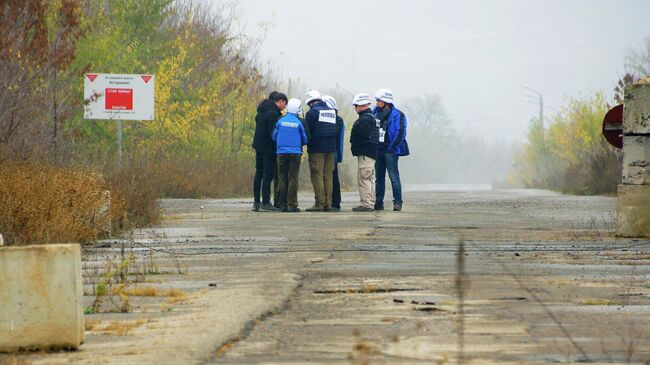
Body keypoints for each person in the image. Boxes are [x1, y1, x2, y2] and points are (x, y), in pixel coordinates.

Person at [373, 88, 409, 211]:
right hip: (378, 150)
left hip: (390, 151)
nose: (376, 102)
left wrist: (392, 148)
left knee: (393, 177)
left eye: (378, 100)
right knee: (379, 178)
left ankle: (398, 202)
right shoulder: (373, 112)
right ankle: (378, 202)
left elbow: (401, 133)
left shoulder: (398, 114)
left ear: (385, 101)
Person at [252, 92, 287, 212]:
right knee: (268, 175)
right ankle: (266, 202)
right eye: (285, 104)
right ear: (281, 101)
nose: (284, 108)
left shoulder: (262, 111)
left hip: (258, 146)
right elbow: (273, 133)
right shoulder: (273, 114)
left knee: (259, 173)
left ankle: (256, 202)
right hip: (268, 149)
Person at [304, 90, 338, 212]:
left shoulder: (312, 113)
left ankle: (319, 203)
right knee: (328, 176)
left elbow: (307, 131)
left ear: (311, 102)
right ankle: (328, 204)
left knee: (317, 175)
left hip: (317, 149)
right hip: (331, 149)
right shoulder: (332, 112)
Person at [273, 98, 308, 212]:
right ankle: (292, 204)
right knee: (293, 178)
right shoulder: (299, 122)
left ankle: (282, 204)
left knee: (282, 177)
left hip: (281, 153)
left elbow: (274, 136)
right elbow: (304, 139)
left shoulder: (280, 121)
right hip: (295, 154)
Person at [350, 93, 379, 212]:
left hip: (365, 153)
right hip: (371, 153)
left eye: (356, 105)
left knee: (364, 179)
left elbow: (363, 135)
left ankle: (367, 204)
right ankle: (370, 202)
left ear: (361, 105)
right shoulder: (372, 118)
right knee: (369, 179)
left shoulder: (365, 119)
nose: (355, 108)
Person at [322, 95, 345, 212]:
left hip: (333, 153)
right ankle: (328, 201)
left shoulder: (338, 120)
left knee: (333, 178)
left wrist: (338, 156)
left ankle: (335, 202)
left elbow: (339, 139)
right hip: (329, 152)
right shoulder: (333, 118)